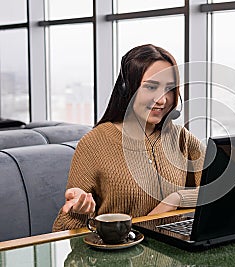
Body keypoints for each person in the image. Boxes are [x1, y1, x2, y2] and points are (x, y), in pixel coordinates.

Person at [53, 44, 204, 231]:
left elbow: (224, 188)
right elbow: (61, 231)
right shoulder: (94, 144)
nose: (162, 100)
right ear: (127, 89)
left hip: (175, 254)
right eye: (151, 87)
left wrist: (176, 198)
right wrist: (80, 211)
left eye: (169, 89)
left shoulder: (180, 137)